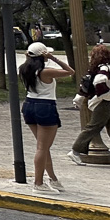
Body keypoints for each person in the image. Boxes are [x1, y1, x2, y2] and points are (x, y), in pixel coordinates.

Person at [18, 41, 74, 193]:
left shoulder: (24, 69)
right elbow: (70, 71)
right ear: (42, 55)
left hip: (29, 105)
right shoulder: (46, 72)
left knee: (43, 146)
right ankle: (38, 183)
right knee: (42, 147)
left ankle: (53, 178)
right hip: (45, 106)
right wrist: (53, 58)